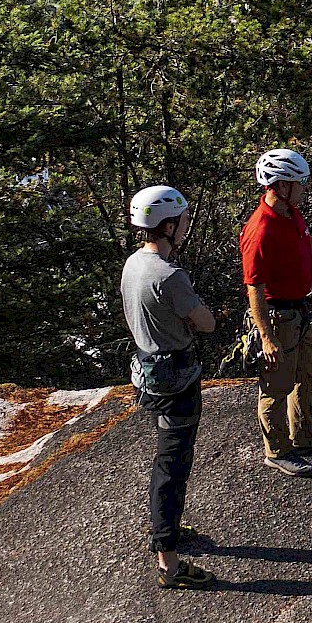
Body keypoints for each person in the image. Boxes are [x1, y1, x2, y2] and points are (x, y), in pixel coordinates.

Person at [121, 185, 218, 590]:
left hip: (148, 369)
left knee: (170, 460)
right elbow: (207, 322)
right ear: (168, 225)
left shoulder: (133, 264)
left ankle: (169, 529)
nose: (185, 228)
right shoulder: (170, 275)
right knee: (173, 464)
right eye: (181, 222)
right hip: (175, 377)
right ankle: (169, 562)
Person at [241, 148, 312, 477]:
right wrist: (265, 337)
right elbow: (254, 287)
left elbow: (302, 262)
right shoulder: (261, 230)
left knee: (306, 376)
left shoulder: (292, 214)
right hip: (278, 318)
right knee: (277, 385)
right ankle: (277, 451)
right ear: (280, 186)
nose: (305, 188)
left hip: (301, 311)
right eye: (300, 182)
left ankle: (304, 437)